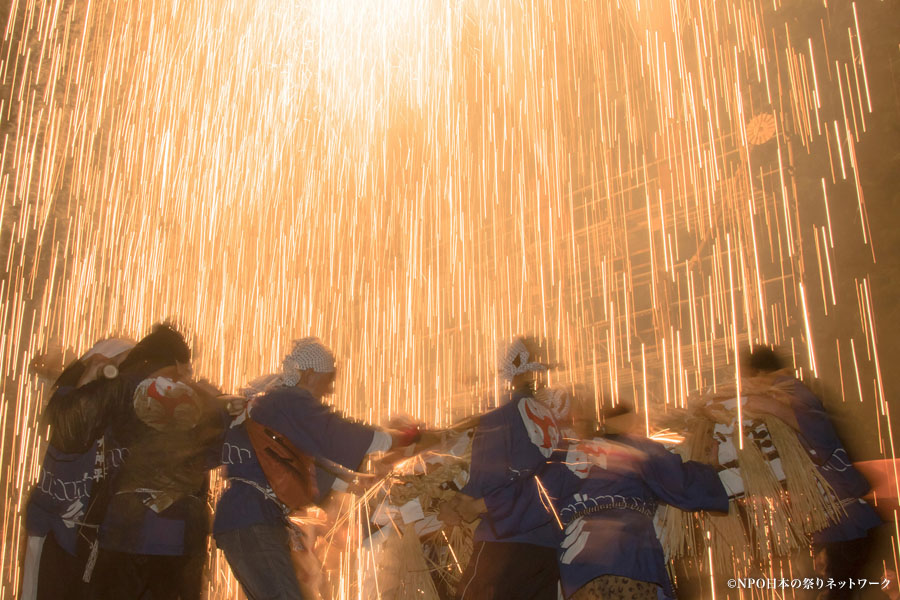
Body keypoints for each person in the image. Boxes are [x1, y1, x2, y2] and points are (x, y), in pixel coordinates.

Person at [213, 337, 424, 600]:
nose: (330, 388)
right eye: (327, 379)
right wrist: (397, 438)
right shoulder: (289, 400)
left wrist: (349, 483)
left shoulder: (274, 404)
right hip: (251, 517)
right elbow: (336, 432)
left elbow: (298, 459)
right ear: (310, 374)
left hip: (250, 519)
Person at [479, 398, 729, 600]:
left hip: (578, 570)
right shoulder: (635, 449)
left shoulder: (565, 456)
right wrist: (712, 468)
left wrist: (476, 506)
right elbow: (681, 483)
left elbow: (530, 500)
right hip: (627, 558)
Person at [87, 323, 238, 600]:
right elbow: (221, 448)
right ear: (180, 362)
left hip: (124, 521)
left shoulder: (117, 388)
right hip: (177, 524)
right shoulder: (199, 399)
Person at [740, 346, 881, 599]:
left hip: (847, 525)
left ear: (758, 373)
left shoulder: (788, 391)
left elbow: (820, 434)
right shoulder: (781, 396)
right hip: (836, 526)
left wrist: (768, 405)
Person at [441, 336, 564, 600]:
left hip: (504, 544)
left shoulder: (499, 417)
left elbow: (484, 481)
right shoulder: (551, 419)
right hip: (547, 548)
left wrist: (456, 505)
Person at [21, 338, 134, 600]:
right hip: (55, 533)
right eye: (118, 365)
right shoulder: (66, 402)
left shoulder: (116, 416)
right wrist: (87, 377)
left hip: (91, 537)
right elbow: (71, 423)